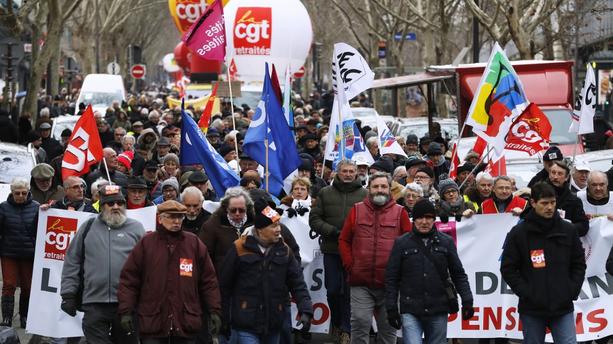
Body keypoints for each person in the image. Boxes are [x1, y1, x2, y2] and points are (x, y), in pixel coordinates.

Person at [117, 200, 222, 343]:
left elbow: (208, 281)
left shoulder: (194, 243)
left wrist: (214, 311)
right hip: (153, 322)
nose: (176, 221)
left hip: (186, 322)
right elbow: (129, 280)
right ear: (160, 218)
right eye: (172, 217)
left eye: (180, 217)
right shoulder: (146, 243)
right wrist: (126, 311)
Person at [500, 182, 586, 344]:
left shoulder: (568, 230)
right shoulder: (519, 233)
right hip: (532, 308)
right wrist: (527, 293)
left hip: (563, 306)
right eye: (544, 203)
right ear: (533, 203)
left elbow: (579, 264)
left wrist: (571, 290)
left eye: (552, 203)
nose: (549, 207)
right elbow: (508, 268)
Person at [219, 198, 313, 343]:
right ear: (260, 230)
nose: (279, 229)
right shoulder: (239, 248)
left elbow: (297, 282)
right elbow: (224, 286)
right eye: (273, 226)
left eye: (278, 225)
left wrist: (305, 310)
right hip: (245, 323)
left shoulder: (284, 251)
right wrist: (223, 317)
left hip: (274, 323)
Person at [60, 185, 146, 343]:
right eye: (110, 203)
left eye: (120, 203)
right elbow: (72, 261)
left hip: (126, 305)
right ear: (102, 207)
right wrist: (68, 294)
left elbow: (147, 266)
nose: (115, 207)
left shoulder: (137, 228)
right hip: (94, 303)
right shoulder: (88, 228)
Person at [385, 199, 474, 344]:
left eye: (428, 218)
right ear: (414, 220)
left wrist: (468, 301)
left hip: (438, 308)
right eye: (420, 217)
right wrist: (391, 308)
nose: (424, 222)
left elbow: (458, 274)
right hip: (410, 309)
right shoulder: (401, 243)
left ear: (434, 219)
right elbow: (392, 278)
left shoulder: (446, 242)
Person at [338, 172, 412, 344]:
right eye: (376, 186)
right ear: (369, 189)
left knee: (388, 328)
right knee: (360, 323)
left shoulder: (401, 213)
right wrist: (350, 264)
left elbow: (409, 244)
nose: (380, 190)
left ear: (390, 189)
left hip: (390, 284)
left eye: (384, 186)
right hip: (361, 282)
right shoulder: (356, 210)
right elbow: (344, 240)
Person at [309, 159, 367, 343]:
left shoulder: (365, 194)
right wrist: (333, 232)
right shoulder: (325, 193)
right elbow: (315, 219)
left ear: (356, 173)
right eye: (345, 171)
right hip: (332, 249)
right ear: (337, 172)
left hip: (355, 252)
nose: (348, 174)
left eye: (351, 171)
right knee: (333, 290)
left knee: (351, 292)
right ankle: (336, 323)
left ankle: (346, 330)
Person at [0, 178, 40, 328]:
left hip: (28, 253)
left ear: (28, 192)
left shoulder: (37, 207)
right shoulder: (3, 208)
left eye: (24, 193)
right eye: (17, 193)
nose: (21, 196)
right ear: (12, 193)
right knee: (9, 285)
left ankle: (25, 316)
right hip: (8, 252)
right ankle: (7, 318)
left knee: (27, 286)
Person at [200, 187, 254, 274]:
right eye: (233, 210)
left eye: (241, 210)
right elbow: (204, 257)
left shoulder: (256, 224)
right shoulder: (212, 226)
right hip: (223, 279)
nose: (237, 213)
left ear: (247, 208)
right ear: (226, 209)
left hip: (250, 279)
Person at [547, 161, 589, 236]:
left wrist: (566, 228)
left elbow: (583, 226)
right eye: (553, 173)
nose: (555, 177)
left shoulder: (574, 200)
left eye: (560, 174)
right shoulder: (538, 193)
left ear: (566, 177)